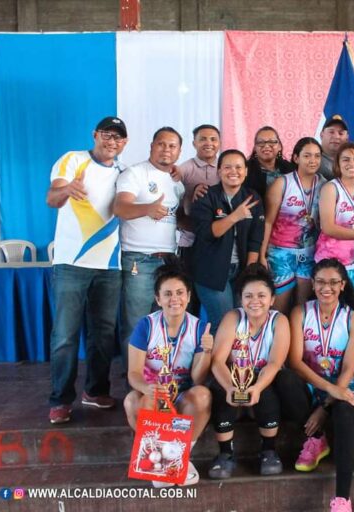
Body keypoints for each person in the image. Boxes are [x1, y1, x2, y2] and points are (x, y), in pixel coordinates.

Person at [46, 116, 128, 424]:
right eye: (107, 134)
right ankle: (60, 400)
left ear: (124, 143)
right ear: (95, 135)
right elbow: (52, 199)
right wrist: (68, 189)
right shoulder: (72, 160)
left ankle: (95, 391)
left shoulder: (124, 171)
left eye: (118, 137)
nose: (112, 141)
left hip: (110, 266)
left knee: (103, 334)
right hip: (71, 263)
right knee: (65, 334)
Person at [208, 264, 303, 478]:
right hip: (235, 379)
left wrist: (258, 387)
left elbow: (275, 363)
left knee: (268, 389)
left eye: (261, 295)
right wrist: (230, 387)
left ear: (272, 299)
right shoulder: (233, 317)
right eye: (248, 296)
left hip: (263, 380)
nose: (255, 301)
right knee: (220, 388)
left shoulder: (279, 321)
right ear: (241, 299)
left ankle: (269, 450)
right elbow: (217, 361)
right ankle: (225, 453)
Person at [123, 264, 213, 487]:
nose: (175, 299)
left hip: (182, 397)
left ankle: (180, 457)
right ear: (158, 298)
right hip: (154, 395)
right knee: (132, 400)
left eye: (180, 292)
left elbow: (198, 379)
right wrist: (146, 387)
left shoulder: (199, 328)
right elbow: (133, 373)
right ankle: (159, 460)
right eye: (168, 294)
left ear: (189, 297)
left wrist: (206, 351)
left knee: (202, 395)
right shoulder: (146, 326)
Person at [288, 258, 354, 512]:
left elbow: (349, 368)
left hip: (341, 385)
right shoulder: (300, 313)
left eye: (333, 282)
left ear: (343, 285)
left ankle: (342, 499)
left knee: (344, 411)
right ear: (312, 284)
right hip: (311, 385)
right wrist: (328, 392)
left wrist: (326, 406)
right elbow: (295, 362)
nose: (326, 288)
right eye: (320, 282)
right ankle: (316, 439)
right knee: (284, 380)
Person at [114, 127, 185, 370]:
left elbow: (178, 219)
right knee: (136, 324)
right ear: (152, 146)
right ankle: (134, 380)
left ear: (179, 151)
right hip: (139, 259)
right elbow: (120, 208)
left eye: (172, 146)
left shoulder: (176, 182)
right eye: (161, 144)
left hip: (169, 260)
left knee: (164, 323)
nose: (166, 149)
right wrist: (147, 209)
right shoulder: (134, 173)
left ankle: (159, 377)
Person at [190, 149, 264, 335]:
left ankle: (237, 356)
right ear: (219, 171)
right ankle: (215, 355)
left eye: (238, 167)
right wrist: (234, 216)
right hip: (212, 272)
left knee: (243, 322)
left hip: (241, 271)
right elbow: (208, 233)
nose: (233, 172)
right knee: (223, 323)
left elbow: (256, 237)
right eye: (227, 167)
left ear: (246, 171)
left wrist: (250, 271)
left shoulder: (252, 197)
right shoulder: (206, 195)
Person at [260, 137, 326, 315]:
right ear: (296, 158)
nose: (313, 160)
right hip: (281, 254)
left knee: (302, 308)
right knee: (278, 309)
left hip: (309, 253)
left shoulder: (324, 184)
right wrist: (262, 254)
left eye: (317, 156)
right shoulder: (282, 183)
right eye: (307, 156)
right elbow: (268, 221)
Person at [316, 142, 354, 310]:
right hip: (332, 262)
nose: (352, 163)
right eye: (346, 159)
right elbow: (327, 227)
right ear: (338, 164)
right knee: (334, 309)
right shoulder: (330, 188)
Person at [177, 124, 221, 255]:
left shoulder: (227, 168)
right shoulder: (183, 170)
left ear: (219, 143)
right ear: (194, 143)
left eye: (213, 139)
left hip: (220, 241)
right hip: (190, 242)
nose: (208, 143)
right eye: (203, 139)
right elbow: (173, 209)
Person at [245, 126, 297, 199]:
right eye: (261, 142)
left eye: (272, 142)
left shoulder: (291, 169)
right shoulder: (245, 170)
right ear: (255, 148)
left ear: (279, 146)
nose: (266, 146)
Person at [318, 116, 350, 180]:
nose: (336, 136)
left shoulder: (352, 160)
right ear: (321, 135)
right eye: (331, 132)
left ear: (347, 138)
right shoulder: (313, 158)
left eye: (341, 133)